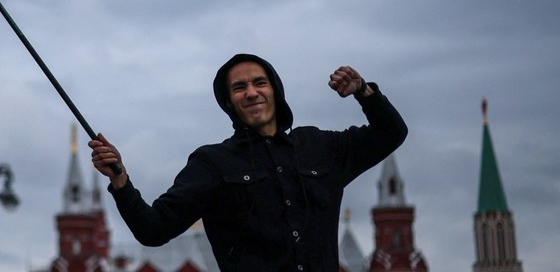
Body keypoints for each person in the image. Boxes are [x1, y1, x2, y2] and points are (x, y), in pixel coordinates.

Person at [88, 53, 407, 272]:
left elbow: (392, 133)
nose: (251, 93)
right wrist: (120, 179)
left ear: (275, 91)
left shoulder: (319, 147)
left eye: (259, 83)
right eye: (239, 88)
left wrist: (365, 92)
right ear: (229, 103)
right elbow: (152, 229)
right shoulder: (212, 164)